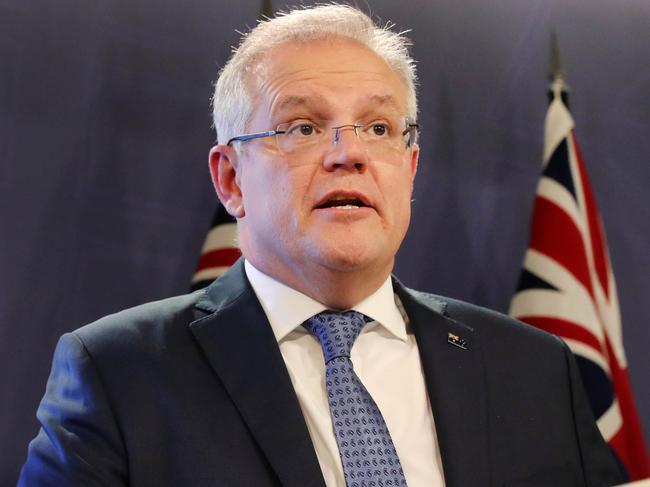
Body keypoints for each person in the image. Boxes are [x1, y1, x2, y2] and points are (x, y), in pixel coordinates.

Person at [19, 5, 623, 487]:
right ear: (231, 179)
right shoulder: (119, 373)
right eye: (304, 127)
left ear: (410, 170)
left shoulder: (533, 367)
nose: (349, 152)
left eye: (379, 127)